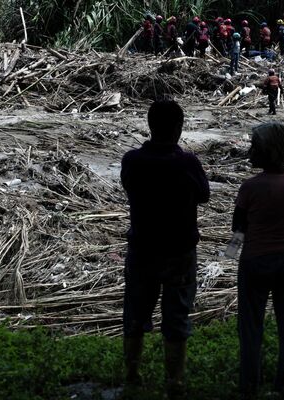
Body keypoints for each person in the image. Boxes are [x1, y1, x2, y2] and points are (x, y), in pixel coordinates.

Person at [121, 100, 210, 400]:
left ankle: (132, 375)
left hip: (143, 247)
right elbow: (204, 196)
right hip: (179, 250)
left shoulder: (132, 160)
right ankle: (175, 381)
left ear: (150, 125)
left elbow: (128, 186)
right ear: (179, 128)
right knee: (177, 314)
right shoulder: (187, 163)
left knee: (135, 312)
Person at [232, 121, 284, 400]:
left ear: (266, 151)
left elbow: (238, 229)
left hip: (256, 262)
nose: (250, 151)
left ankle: (249, 385)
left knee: (251, 326)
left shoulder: (250, 187)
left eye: (254, 146)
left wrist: (230, 255)